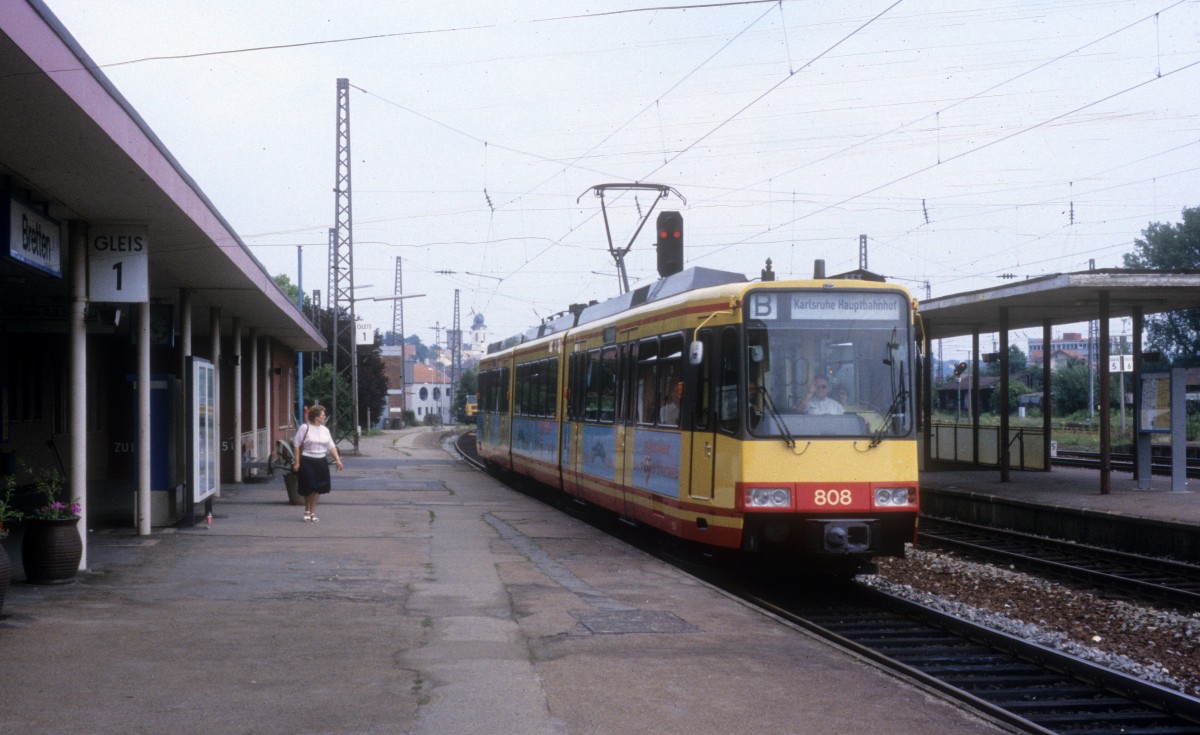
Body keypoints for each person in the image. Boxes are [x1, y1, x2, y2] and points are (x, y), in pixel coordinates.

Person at [291, 405, 343, 522]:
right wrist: (297, 462)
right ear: (316, 417)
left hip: (321, 461)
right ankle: (307, 509)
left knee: (318, 487)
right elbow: (296, 445)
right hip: (308, 460)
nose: (324, 417)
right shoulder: (305, 428)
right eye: (322, 415)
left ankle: (313, 511)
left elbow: (331, 446)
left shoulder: (325, 430)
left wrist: (337, 459)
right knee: (309, 486)